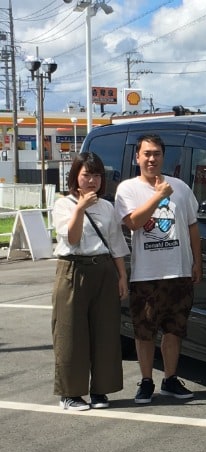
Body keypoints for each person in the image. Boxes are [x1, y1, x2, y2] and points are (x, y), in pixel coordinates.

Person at [114, 134, 201, 404]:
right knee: (145, 330)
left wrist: (196, 262)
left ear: (164, 157)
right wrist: (159, 195)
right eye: (147, 154)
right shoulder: (127, 189)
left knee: (175, 329)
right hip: (146, 274)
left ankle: (170, 379)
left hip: (179, 271)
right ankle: (146, 380)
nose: (152, 159)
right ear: (137, 157)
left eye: (157, 154)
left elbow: (192, 226)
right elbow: (134, 223)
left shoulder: (181, 188)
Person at [52, 152, 129, 410]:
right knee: (71, 333)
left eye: (97, 175)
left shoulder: (107, 207)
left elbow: (116, 245)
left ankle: (100, 390)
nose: (92, 181)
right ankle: (70, 393)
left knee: (105, 332)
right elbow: (71, 238)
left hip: (104, 268)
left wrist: (122, 277)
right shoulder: (63, 204)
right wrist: (80, 207)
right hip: (73, 270)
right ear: (75, 176)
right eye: (86, 175)